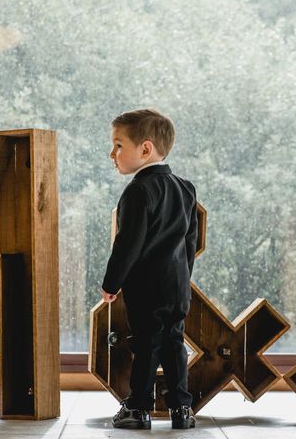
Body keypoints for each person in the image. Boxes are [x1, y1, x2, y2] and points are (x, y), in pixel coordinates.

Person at [101, 108, 198, 430]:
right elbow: (189, 242)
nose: (111, 154)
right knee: (174, 344)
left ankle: (138, 408)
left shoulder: (139, 191)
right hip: (177, 285)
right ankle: (182, 410)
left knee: (145, 346)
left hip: (146, 287)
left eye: (118, 145)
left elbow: (128, 244)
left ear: (145, 149)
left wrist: (111, 283)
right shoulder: (185, 188)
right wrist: (183, 278)